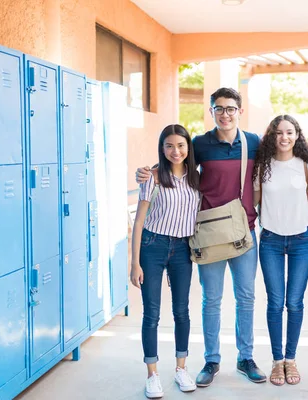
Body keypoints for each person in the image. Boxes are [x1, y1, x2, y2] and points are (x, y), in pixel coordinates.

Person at [136, 88, 266, 387]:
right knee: (212, 300)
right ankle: (211, 360)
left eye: (230, 108)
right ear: (211, 112)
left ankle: (245, 358)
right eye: (218, 108)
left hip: (243, 231)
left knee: (246, 298)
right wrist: (148, 173)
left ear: (240, 111)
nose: (225, 113)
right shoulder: (200, 144)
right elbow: (176, 165)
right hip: (208, 233)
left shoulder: (253, 142)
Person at [130, 124, 201, 398]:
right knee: (152, 314)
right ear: (162, 148)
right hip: (153, 246)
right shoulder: (153, 177)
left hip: (183, 250)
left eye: (181, 145)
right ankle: (152, 374)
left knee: (181, 311)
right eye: (169, 145)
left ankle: (181, 368)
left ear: (188, 148)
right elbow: (139, 222)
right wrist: (134, 263)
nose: (176, 151)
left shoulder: (196, 178)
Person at [252, 115, 308, 386]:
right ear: (271, 136)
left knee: (294, 302)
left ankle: (291, 359)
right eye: (278, 133)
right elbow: (252, 203)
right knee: (275, 302)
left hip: (302, 240)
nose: (284, 137)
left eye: (290, 132)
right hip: (270, 241)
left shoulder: (306, 167)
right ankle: (277, 361)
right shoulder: (261, 167)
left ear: (297, 135)